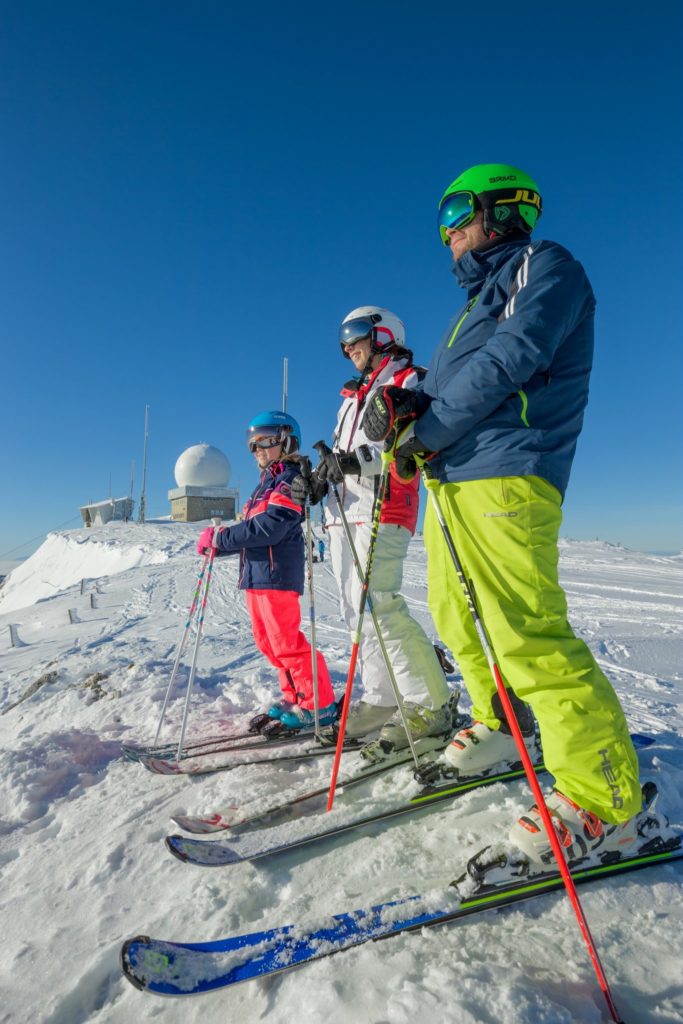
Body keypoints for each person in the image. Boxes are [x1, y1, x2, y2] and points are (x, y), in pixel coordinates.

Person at [361, 163, 666, 867]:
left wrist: (425, 430)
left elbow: (513, 357)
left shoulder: (544, 265)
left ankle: (603, 800)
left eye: (456, 211)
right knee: (455, 616)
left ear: (501, 209)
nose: (446, 232)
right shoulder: (468, 307)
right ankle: (500, 722)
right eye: (441, 219)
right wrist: (411, 420)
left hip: (507, 470)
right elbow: (449, 389)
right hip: (452, 481)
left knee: (524, 631)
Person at [292, 306, 454, 751]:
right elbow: (346, 454)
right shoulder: (350, 398)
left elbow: (403, 446)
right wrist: (323, 477)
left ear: (384, 333)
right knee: (354, 614)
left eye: (356, 332)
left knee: (380, 605)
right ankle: (383, 699)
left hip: (385, 507)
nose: (348, 346)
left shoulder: (407, 381)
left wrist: (346, 463)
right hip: (344, 515)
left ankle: (431, 703)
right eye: (343, 338)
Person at [197, 410, 336, 731]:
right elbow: (251, 528)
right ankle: (296, 695)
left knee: (287, 642)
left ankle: (320, 704)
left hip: (277, 575)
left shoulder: (290, 479)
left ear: (286, 440)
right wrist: (219, 543)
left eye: (265, 441)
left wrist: (222, 539)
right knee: (267, 642)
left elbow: (271, 527)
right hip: (256, 576)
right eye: (252, 444)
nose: (257, 448)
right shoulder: (264, 484)